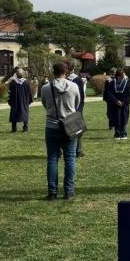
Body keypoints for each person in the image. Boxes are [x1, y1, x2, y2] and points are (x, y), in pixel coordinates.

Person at [41, 61, 81, 200]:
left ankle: (52, 192)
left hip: (52, 125)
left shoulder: (46, 87)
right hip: (70, 125)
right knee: (70, 159)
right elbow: (77, 104)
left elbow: (45, 104)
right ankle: (69, 191)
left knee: (52, 158)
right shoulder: (74, 86)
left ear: (53, 72)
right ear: (66, 72)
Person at [65, 59, 86, 157]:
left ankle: (78, 150)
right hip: (67, 109)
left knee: (77, 131)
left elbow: (80, 97)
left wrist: (78, 110)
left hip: (74, 108)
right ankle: (70, 150)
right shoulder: (64, 78)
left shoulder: (77, 79)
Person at [104, 68, 130, 139]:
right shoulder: (112, 83)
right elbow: (109, 94)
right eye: (122, 75)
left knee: (124, 118)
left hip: (124, 105)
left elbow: (129, 94)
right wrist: (116, 101)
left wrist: (123, 102)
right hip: (115, 105)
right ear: (119, 76)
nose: (123, 76)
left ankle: (123, 133)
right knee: (116, 119)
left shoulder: (127, 83)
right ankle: (117, 133)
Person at [7, 67, 33, 132]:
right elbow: (29, 92)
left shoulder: (13, 82)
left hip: (15, 101)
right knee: (24, 112)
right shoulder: (26, 82)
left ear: (16, 74)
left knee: (14, 113)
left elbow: (10, 92)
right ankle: (25, 128)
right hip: (24, 101)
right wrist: (29, 100)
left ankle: (14, 128)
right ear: (23, 74)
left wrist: (10, 100)